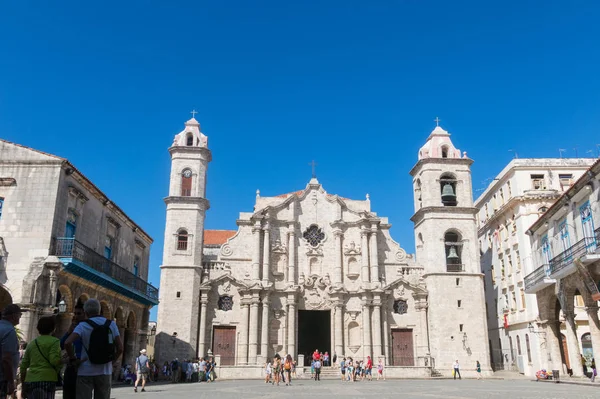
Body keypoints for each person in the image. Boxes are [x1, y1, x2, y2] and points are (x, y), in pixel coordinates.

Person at [64, 298, 123, 399]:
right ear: (99, 310)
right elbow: (120, 348)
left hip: (85, 370)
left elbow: (67, 342)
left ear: (85, 312)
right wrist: (111, 362)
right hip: (105, 370)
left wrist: (73, 359)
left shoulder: (82, 325)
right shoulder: (111, 324)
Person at [19, 316, 61, 399]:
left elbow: (23, 366)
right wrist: (63, 361)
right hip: (48, 379)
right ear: (53, 329)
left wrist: (23, 385)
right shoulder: (55, 341)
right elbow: (54, 361)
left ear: (38, 329)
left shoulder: (32, 343)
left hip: (31, 380)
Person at [1, 304, 23, 399]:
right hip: (1, 378)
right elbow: (6, 358)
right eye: (20, 315)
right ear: (14, 316)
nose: (20, 317)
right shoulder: (9, 331)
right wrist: (10, 382)